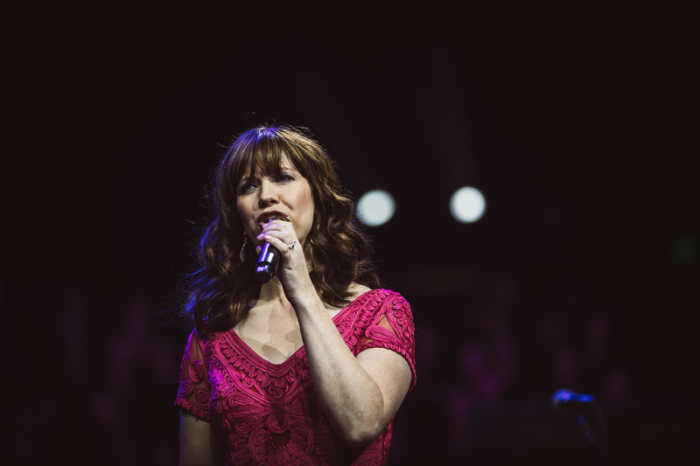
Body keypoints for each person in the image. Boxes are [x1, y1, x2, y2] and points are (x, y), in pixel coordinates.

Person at [175, 125, 416, 466]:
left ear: (317, 196)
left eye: (283, 178)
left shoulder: (381, 312)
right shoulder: (211, 337)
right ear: (239, 216)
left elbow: (361, 423)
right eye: (249, 186)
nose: (266, 196)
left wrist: (301, 288)